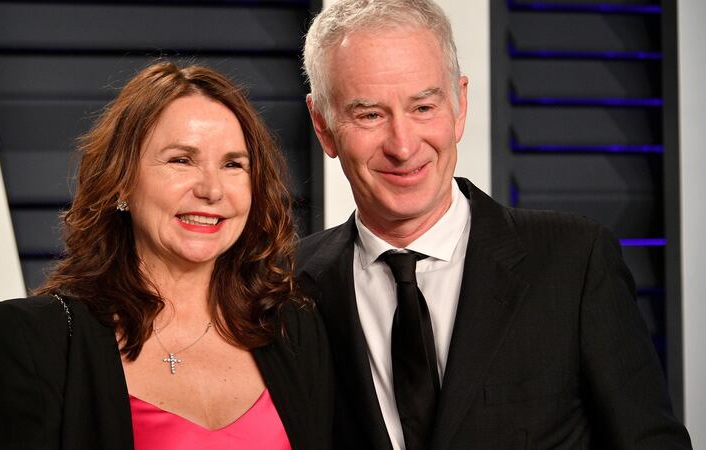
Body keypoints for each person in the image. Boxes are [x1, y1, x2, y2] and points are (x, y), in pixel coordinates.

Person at [296, 0, 691, 449]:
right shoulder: (286, 286)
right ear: (323, 125)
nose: (403, 146)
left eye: (424, 107)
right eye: (370, 115)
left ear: (460, 103)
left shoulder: (575, 260)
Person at [0, 62, 332, 450]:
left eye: (233, 164)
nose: (212, 189)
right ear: (121, 181)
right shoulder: (35, 338)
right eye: (181, 159)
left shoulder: (293, 327)